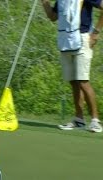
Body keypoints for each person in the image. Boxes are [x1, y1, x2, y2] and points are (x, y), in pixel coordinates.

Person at [40, 0, 103, 133]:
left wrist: (96, 33)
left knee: (83, 81)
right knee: (74, 81)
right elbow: (53, 16)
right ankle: (79, 119)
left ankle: (95, 120)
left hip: (82, 39)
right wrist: (44, 2)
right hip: (66, 40)